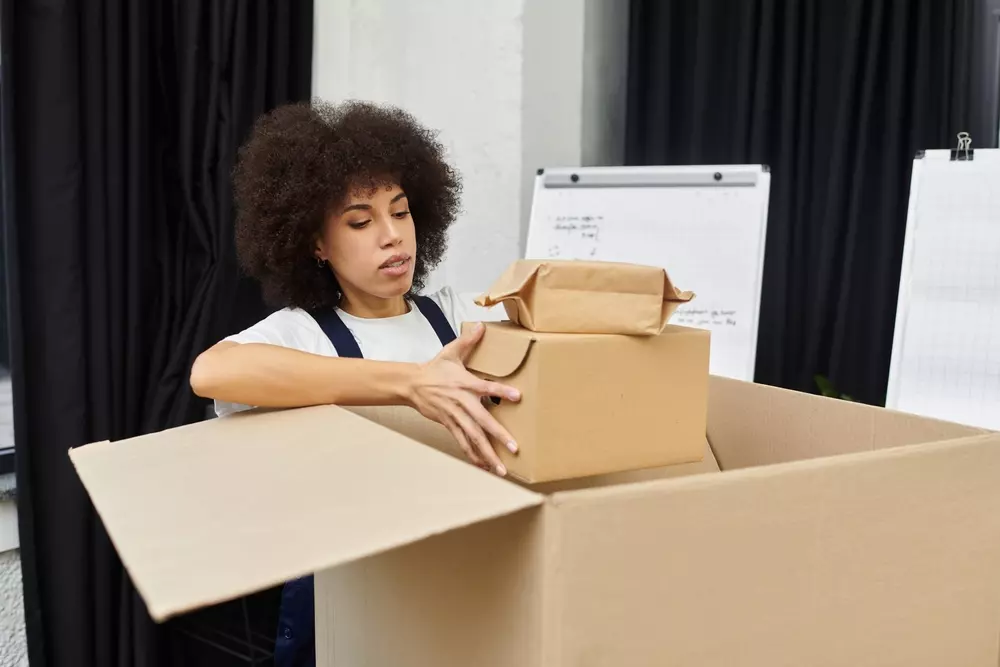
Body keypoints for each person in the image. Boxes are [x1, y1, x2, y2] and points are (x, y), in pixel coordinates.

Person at [189, 100, 521, 667]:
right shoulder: (302, 333)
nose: (393, 237)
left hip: (457, 584)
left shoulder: (456, 316)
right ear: (316, 244)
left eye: (402, 211)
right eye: (361, 221)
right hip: (348, 604)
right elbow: (212, 371)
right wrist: (411, 383)